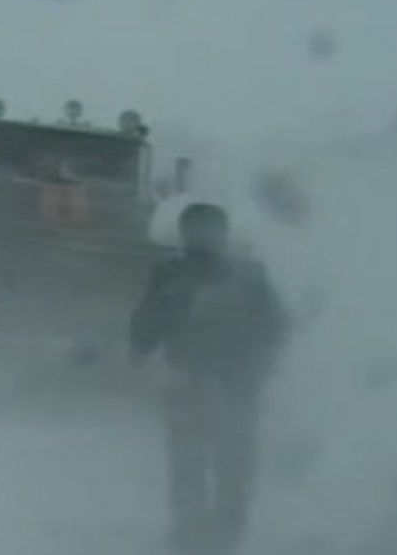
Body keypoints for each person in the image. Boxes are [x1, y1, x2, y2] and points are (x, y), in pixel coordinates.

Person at [131, 203, 287, 555]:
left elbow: (146, 324)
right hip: (214, 383)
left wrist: (139, 353)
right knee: (218, 464)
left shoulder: (179, 273)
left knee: (203, 463)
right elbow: (276, 327)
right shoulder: (244, 274)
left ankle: (201, 534)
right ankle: (213, 534)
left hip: (209, 383)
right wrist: (259, 369)